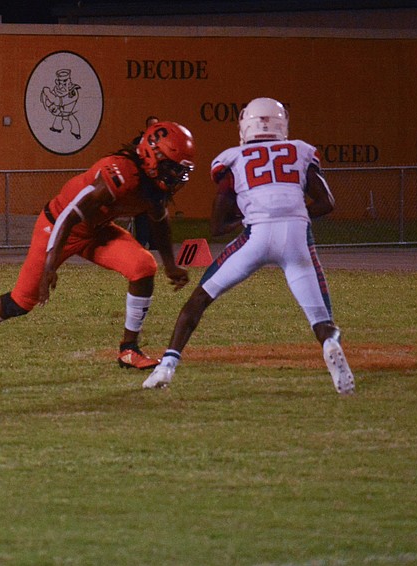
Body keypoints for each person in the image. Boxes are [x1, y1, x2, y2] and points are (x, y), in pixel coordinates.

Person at [0, 121, 197, 371]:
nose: (175, 175)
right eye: (171, 167)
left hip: (97, 230)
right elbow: (70, 215)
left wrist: (170, 264)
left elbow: (159, 222)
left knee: (143, 265)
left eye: (179, 170)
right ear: (151, 155)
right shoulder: (120, 174)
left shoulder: (153, 188)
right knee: (21, 302)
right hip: (57, 226)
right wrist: (51, 265)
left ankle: (129, 349)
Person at [142, 98, 355, 394]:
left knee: (199, 300)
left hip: (255, 235)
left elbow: (216, 226)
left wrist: (251, 214)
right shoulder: (300, 151)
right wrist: (292, 211)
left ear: (245, 124)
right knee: (321, 319)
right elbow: (326, 203)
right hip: (296, 236)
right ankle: (330, 343)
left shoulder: (234, 158)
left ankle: (166, 367)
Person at [129, 116, 159, 249]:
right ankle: (141, 240)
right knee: (141, 212)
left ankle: (154, 242)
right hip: (142, 183)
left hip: (156, 183)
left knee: (156, 212)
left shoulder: (163, 142)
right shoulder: (138, 141)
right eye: (151, 125)